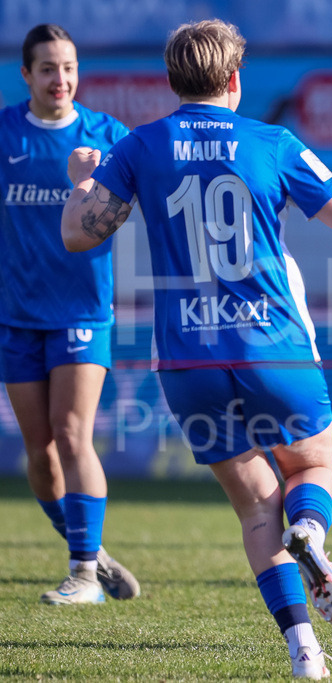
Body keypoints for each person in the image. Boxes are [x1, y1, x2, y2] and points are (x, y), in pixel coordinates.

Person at [61, 19, 332, 679]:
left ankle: (303, 649)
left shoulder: (142, 146)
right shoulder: (271, 141)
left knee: (257, 504)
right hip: (271, 345)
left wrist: (84, 181)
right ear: (234, 79)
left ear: (172, 82)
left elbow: (78, 235)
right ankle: (311, 531)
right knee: (310, 465)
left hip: (187, 360)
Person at [0, 24, 140, 606]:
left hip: (83, 310)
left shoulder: (106, 137)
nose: (61, 79)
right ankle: (92, 551)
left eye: (69, 67)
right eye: (48, 68)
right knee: (40, 453)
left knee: (72, 433)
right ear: (27, 75)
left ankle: (83, 574)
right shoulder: (5, 132)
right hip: (15, 315)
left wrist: (89, 183)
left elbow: (130, 208)